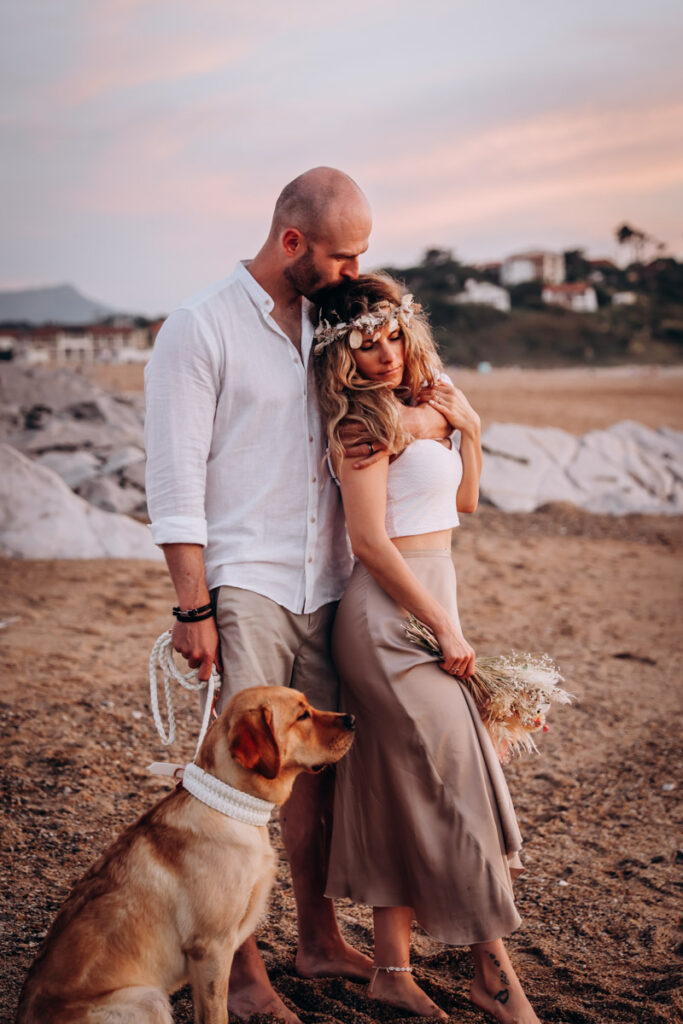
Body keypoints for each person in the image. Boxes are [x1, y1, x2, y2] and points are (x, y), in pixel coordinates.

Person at [143, 168, 447, 1023]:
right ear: (292, 243)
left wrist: (430, 413)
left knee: (311, 774)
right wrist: (192, 607)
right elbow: (171, 479)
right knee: (243, 778)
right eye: (343, 254)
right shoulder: (198, 328)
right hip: (245, 581)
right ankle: (241, 973)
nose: (355, 270)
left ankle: (314, 940)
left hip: (330, 581)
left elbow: (377, 410)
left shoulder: (328, 322)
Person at [313, 273, 541, 1024]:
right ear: (341, 356)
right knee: (456, 788)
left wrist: (468, 430)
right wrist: (442, 628)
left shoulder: (432, 404)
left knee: (399, 789)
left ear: (408, 330)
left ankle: (391, 972)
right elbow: (369, 544)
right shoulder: (360, 422)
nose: (380, 356)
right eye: (362, 345)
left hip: (435, 591)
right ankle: (493, 975)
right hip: (385, 618)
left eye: (387, 337)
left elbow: (464, 503)